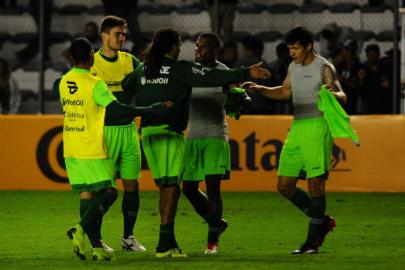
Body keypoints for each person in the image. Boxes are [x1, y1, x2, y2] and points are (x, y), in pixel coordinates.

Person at [122, 27, 270, 258]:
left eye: (201, 45)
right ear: (172, 46)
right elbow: (211, 77)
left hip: (149, 134)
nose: (186, 49)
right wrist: (246, 71)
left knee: (169, 187)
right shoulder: (181, 69)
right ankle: (165, 244)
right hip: (171, 133)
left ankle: (194, 238)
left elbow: (126, 85)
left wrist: (146, 92)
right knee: (174, 188)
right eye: (180, 44)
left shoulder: (145, 68)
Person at [57, 37, 170, 261]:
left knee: (87, 195)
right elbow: (118, 110)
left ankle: (97, 249)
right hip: (91, 147)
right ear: (91, 56)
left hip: (71, 148)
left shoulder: (63, 81)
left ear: (71, 58)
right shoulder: (95, 84)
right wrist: (153, 108)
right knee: (109, 192)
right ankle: (79, 228)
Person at [242, 26, 345, 254]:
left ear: (308, 46)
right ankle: (322, 221)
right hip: (297, 127)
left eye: (296, 48)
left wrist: (332, 93)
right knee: (284, 185)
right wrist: (260, 88)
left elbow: (342, 95)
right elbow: (285, 92)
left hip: (318, 127)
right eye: (290, 48)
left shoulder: (324, 67)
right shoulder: (293, 67)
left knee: (315, 184)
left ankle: (312, 241)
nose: (292, 52)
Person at [90, 15, 145, 252]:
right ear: (104, 36)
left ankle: (128, 238)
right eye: (117, 34)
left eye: (123, 34)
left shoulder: (130, 61)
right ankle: (96, 239)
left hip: (129, 131)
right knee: (104, 189)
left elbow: (148, 79)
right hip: (104, 133)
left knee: (132, 185)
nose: (122, 37)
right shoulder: (91, 64)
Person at [181, 32, 232, 255]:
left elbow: (233, 99)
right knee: (189, 189)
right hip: (193, 136)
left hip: (214, 135)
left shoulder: (223, 73)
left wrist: (241, 100)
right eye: (196, 47)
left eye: (201, 47)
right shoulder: (191, 71)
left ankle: (212, 240)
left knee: (213, 188)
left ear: (213, 50)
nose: (197, 50)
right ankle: (217, 222)